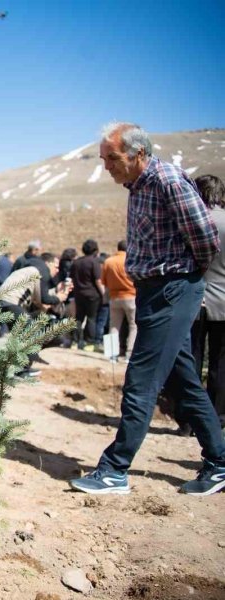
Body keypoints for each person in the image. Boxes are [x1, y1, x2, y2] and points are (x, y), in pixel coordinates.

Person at [70, 122, 225, 496]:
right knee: (182, 381)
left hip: (172, 290)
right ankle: (220, 463)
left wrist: (185, 279)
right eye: (103, 158)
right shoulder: (137, 186)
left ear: (138, 154)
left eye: (112, 158)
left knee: (140, 382)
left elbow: (206, 237)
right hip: (155, 292)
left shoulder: (168, 180)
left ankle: (114, 469)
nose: (106, 165)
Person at [0, 253, 70, 376]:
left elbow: (38, 299)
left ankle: (16, 367)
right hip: (11, 303)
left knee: (25, 338)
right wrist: (59, 298)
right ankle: (22, 371)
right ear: (48, 263)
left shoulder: (31, 270)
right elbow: (45, 299)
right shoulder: (42, 269)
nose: (57, 271)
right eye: (56, 267)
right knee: (32, 335)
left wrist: (57, 291)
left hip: (4, 303)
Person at [192, 175, 225, 424]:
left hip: (194, 299)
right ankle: (217, 417)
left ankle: (188, 419)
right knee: (221, 362)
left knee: (191, 359)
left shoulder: (193, 220)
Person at [102, 240, 137, 361]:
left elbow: (103, 281)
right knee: (133, 326)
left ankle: (112, 355)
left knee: (114, 326)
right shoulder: (131, 260)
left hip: (114, 297)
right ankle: (129, 354)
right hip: (131, 296)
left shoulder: (108, 261)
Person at [71, 239, 105, 351]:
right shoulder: (94, 262)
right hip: (92, 295)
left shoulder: (76, 262)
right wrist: (103, 294)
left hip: (78, 294)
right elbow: (98, 281)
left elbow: (71, 278)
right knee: (91, 318)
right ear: (95, 250)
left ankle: (75, 342)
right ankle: (88, 343)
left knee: (78, 318)